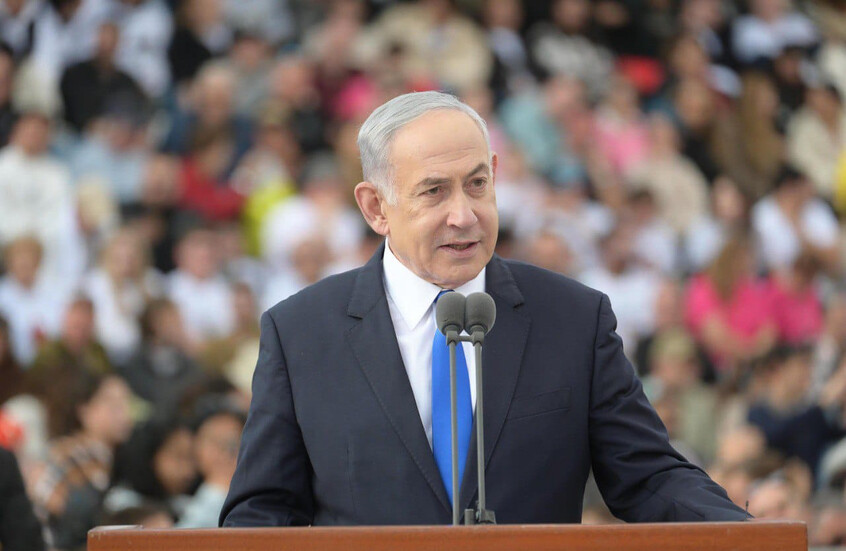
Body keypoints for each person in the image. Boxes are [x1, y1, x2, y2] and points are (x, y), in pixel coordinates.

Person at [221, 91, 748, 526]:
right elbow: (263, 513)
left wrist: (751, 536)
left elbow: (650, 477)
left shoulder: (574, 318)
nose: (464, 215)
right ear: (376, 207)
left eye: (477, 184)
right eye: (434, 191)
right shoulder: (301, 333)